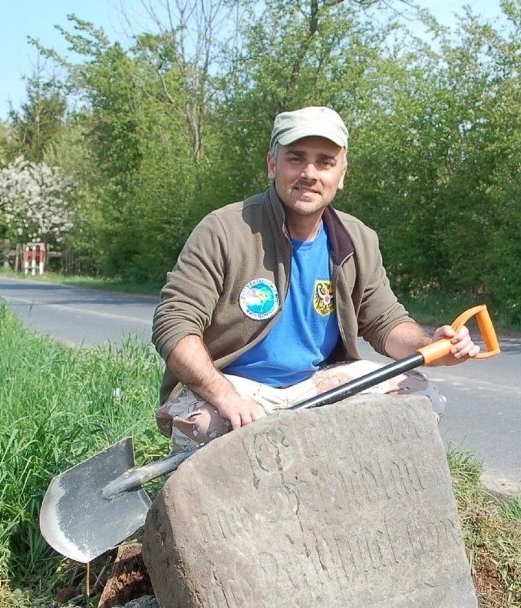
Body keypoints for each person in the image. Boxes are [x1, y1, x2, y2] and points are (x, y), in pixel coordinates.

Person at [152, 105, 480, 451]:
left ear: (342, 174)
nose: (310, 173)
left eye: (325, 162)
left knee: (420, 397)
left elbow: (385, 321)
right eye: (296, 158)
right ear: (272, 164)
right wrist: (225, 396)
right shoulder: (224, 230)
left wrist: (430, 346)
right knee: (206, 428)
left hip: (315, 385)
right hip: (235, 387)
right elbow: (174, 324)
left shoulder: (357, 239)